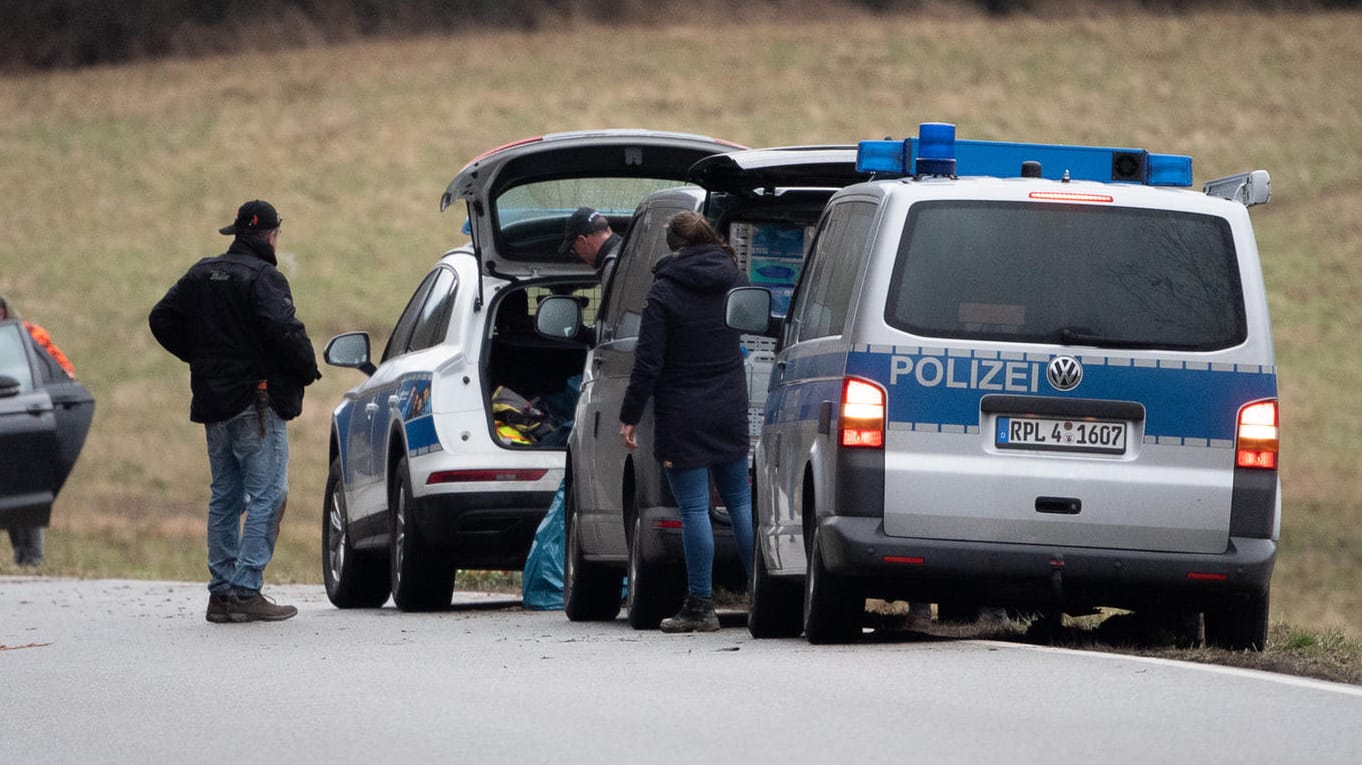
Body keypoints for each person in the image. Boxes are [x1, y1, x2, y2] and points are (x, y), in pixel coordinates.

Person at [149, 200, 321, 623]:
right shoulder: (265, 277)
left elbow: (161, 318)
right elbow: (284, 330)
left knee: (225, 496)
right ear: (272, 236)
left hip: (212, 401)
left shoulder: (200, 274)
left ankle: (221, 594)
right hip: (255, 403)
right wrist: (307, 369)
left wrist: (203, 358)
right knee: (268, 494)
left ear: (236, 234)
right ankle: (246, 590)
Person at [618, 211, 753, 633]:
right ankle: (763, 594)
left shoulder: (665, 289)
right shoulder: (735, 276)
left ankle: (700, 605)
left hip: (683, 411)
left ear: (674, 246)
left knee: (696, 508)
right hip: (730, 403)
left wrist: (630, 415)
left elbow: (649, 361)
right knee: (741, 504)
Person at [0, 294, 77, 567]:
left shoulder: (28, 335)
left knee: (22, 489)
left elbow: (65, 374)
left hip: (20, 416)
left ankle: (31, 560)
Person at [558, 206, 622, 286]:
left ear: (582, 240)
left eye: (574, 250)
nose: (579, 256)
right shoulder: (631, 248)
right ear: (608, 229)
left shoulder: (612, 270)